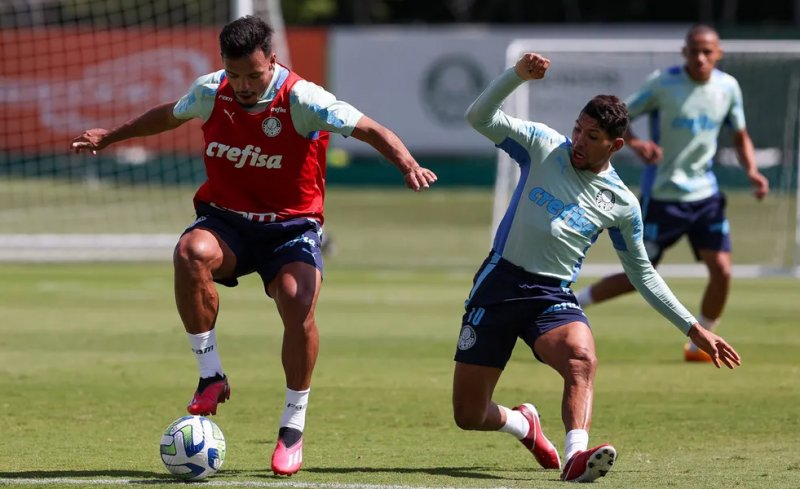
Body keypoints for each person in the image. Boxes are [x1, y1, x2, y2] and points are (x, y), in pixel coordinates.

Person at [71, 15, 437, 476]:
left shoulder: (303, 98)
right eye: (235, 73)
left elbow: (368, 128)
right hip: (228, 224)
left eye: (254, 74)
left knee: (296, 300)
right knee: (190, 253)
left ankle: (292, 424)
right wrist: (110, 136)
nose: (242, 85)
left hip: (291, 228)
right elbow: (168, 114)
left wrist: (406, 164)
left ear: (273, 61)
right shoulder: (211, 90)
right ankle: (210, 376)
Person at [452, 52, 741, 483]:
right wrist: (516, 76)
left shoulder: (622, 203)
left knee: (582, 359)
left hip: (552, 297)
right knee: (469, 414)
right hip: (500, 284)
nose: (578, 142)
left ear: (615, 145)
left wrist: (692, 328)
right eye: (577, 130)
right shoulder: (543, 145)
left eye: (591, 136)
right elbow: (478, 117)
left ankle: (576, 456)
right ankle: (523, 424)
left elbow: (643, 274)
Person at [574, 25, 769, 363]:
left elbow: (740, 135)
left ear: (718, 54)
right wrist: (636, 143)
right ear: (684, 52)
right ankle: (577, 302)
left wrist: (751, 169)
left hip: (705, 196)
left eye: (707, 51)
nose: (700, 57)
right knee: (639, 274)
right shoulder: (663, 83)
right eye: (694, 50)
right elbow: (620, 118)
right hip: (662, 196)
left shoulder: (728, 87)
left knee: (722, 270)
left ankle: (699, 344)